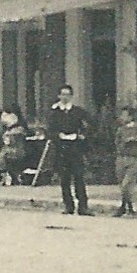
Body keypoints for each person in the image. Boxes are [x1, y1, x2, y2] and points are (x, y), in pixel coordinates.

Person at [45, 84, 91, 216]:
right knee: (64, 178)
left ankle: (83, 206)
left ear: (71, 96)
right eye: (62, 94)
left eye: (67, 94)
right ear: (59, 96)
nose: (64, 97)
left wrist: (82, 135)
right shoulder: (54, 113)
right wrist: (57, 136)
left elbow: (89, 125)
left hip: (75, 147)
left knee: (78, 177)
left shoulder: (78, 112)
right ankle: (68, 205)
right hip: (61, 147)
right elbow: (50, 130)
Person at [113, 105, 137, 217]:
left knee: (126, 183)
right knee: (122, 183)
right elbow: (117, 141)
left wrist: (134, 138)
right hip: (121, 158)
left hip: (133, 158)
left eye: (125, 115)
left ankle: (123, 206)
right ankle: (128, 206)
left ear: (131, 116)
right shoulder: (121, 129)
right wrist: (120, 146)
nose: (122, 117)